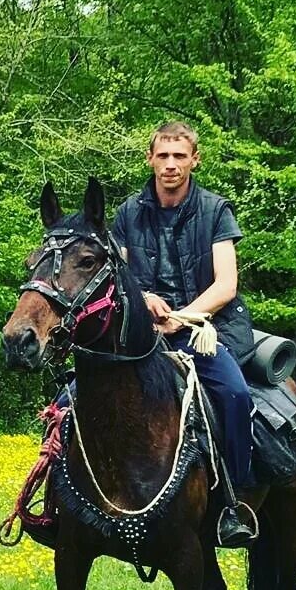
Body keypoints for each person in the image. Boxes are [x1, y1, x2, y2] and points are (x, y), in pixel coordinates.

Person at [112, 120, 255, 546]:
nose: (170, 165)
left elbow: (226, 285)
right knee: (74, 395)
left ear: (195, 160)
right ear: (150, 159)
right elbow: (117, 275)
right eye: (163, 155)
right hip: (143, 332)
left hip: (205, 330)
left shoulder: (215, 210)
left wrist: (183, 316)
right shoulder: (127, 213)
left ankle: (234, 503)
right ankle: (63, 499)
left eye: (179, 156)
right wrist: (145, 298)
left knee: (235, 395)